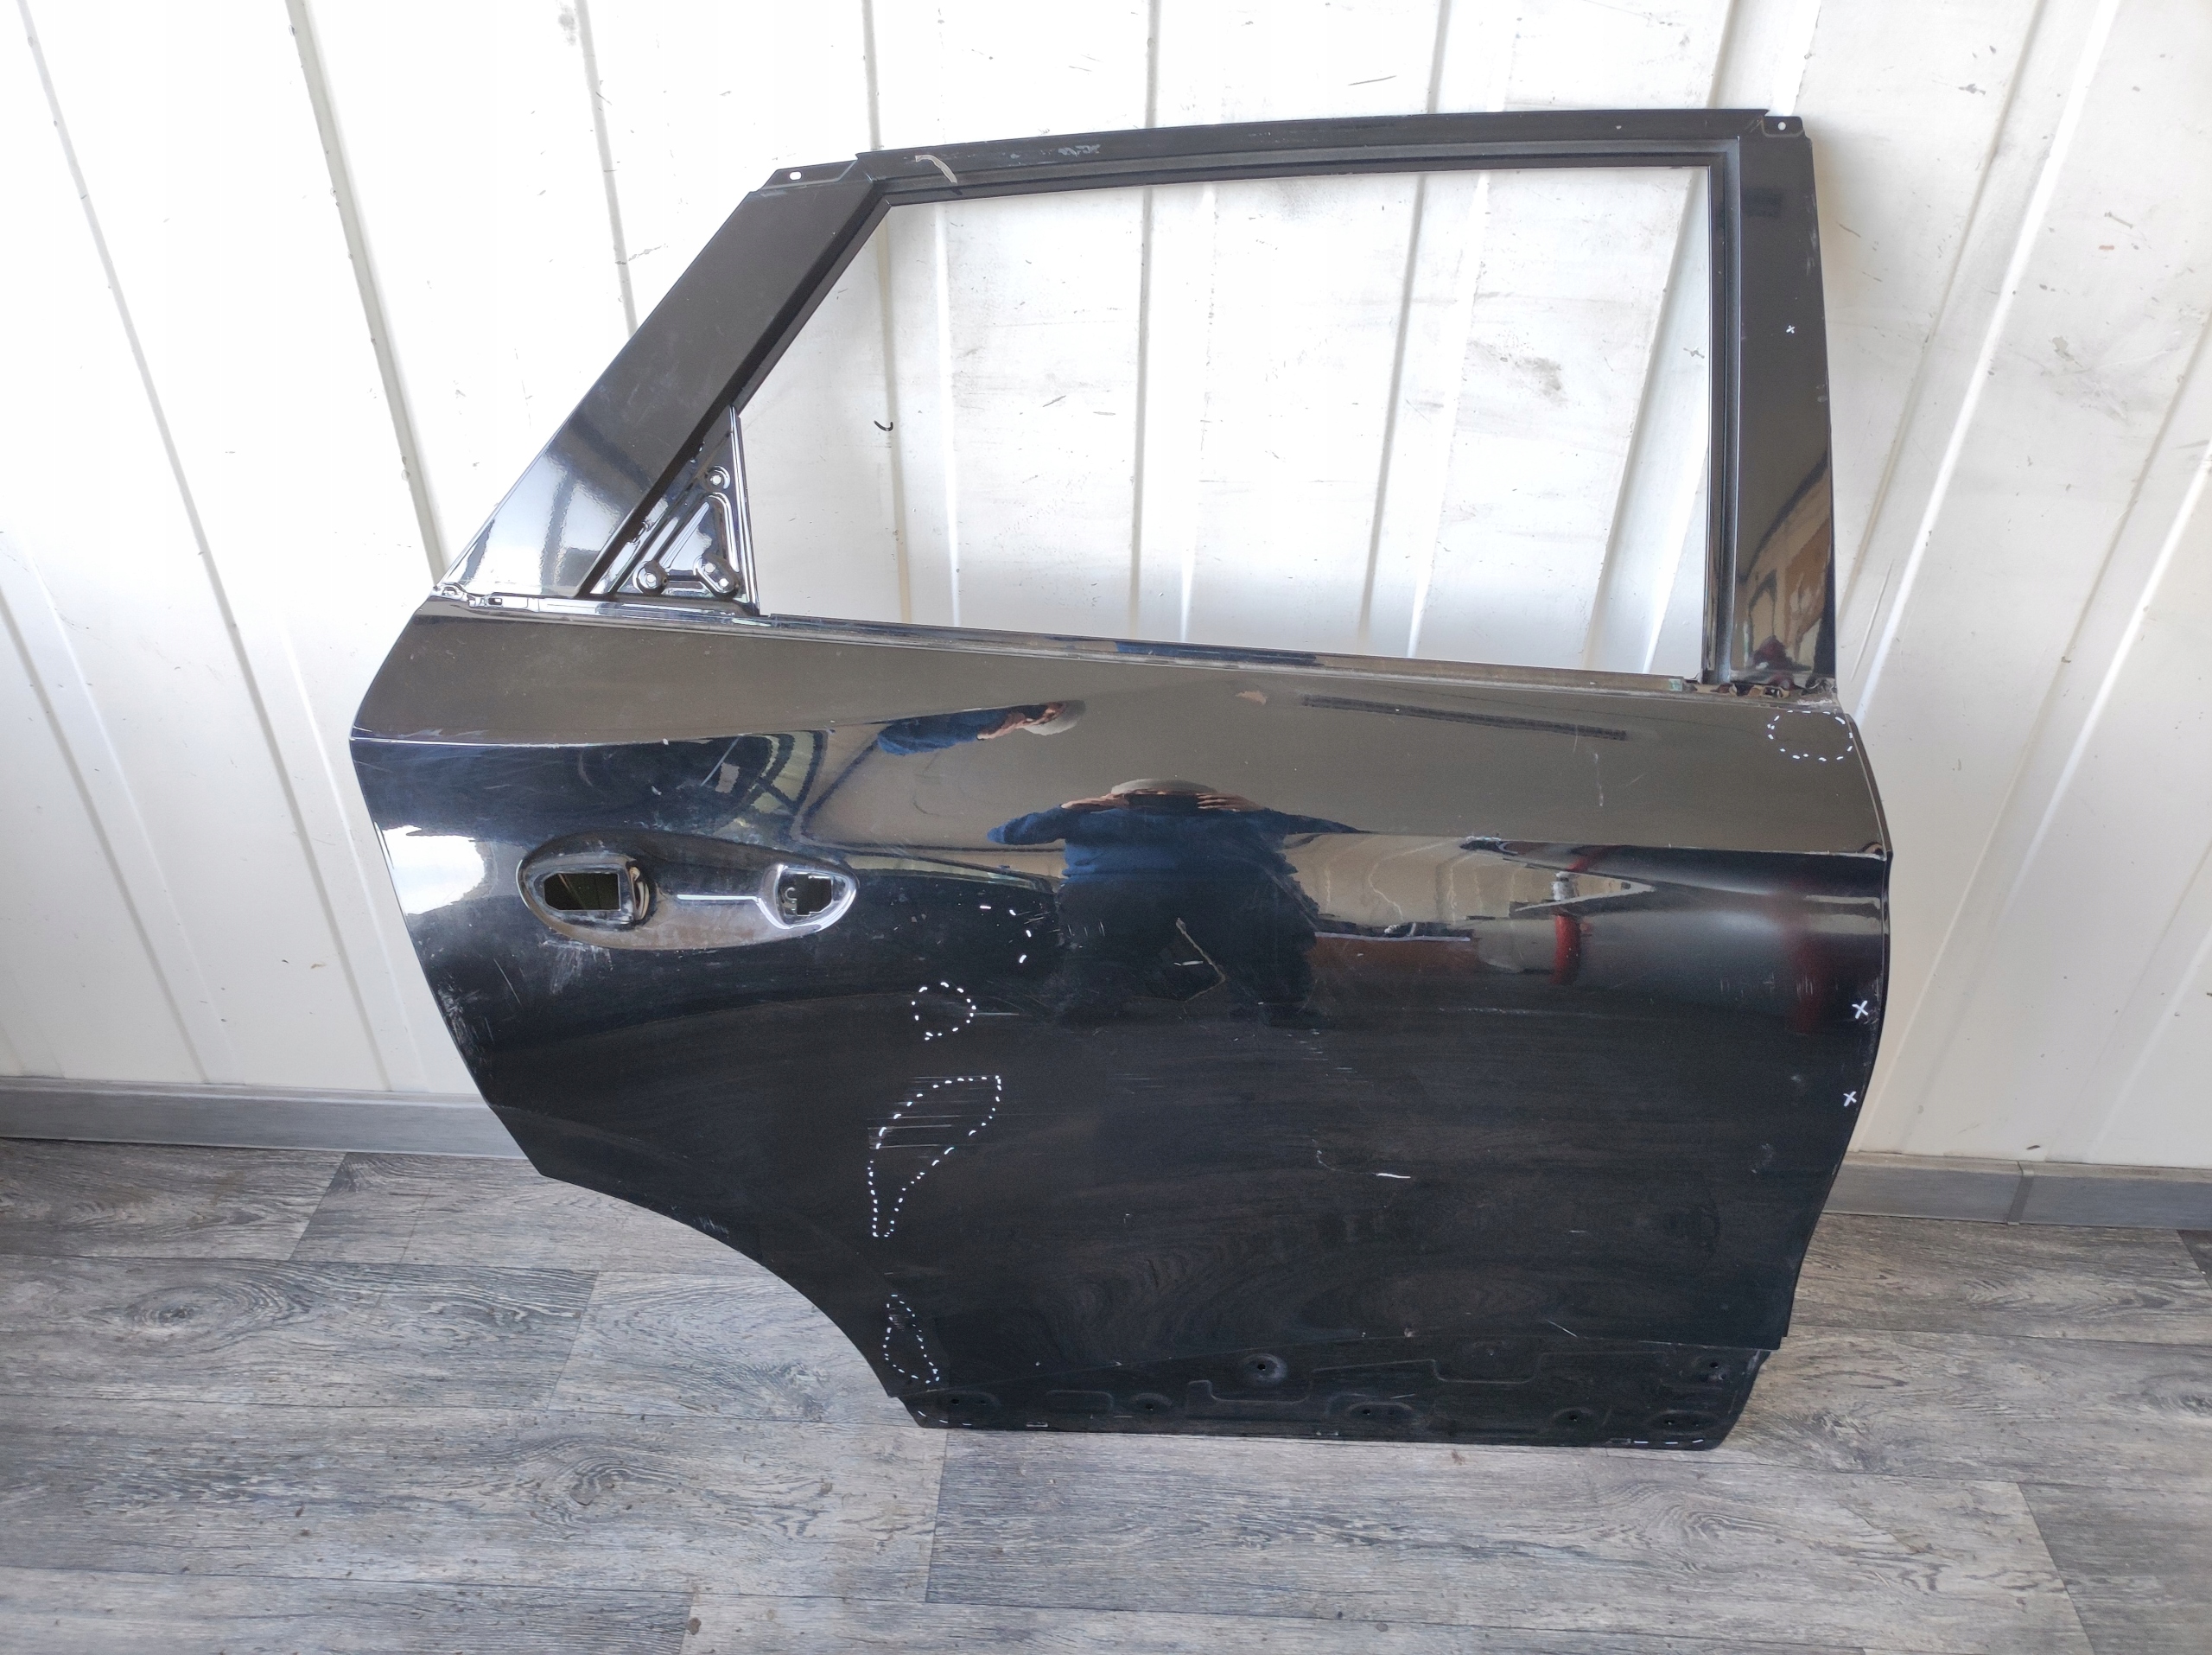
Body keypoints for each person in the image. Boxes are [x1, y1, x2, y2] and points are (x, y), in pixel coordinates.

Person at [989, 779, 1353, 1026]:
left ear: (1202, 799)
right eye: (1149, 795)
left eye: (1175, 797)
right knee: (1101, 947)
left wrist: (1257, 812)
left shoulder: (1237, 820)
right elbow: (1006, 835)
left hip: (1224, 886)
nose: (1163, 801)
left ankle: (1275, 1006)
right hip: (1120, 889)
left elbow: (1338, 835)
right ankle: (1085, 1005)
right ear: (1123, 797)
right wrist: (1069, 809)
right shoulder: (1092, 819)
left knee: (1259, 942)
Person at [876, 701, 1082, 755]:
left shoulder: (980, 727)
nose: (1049, 709)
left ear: (1031, 724)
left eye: (1049, 718)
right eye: (1058, 705)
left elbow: (890, 740)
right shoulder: (1008, 685)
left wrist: (976, 734)